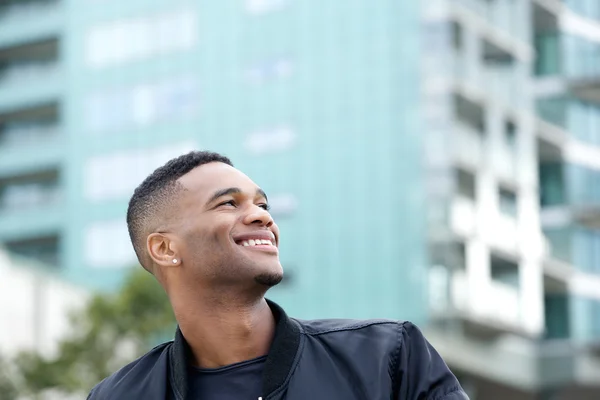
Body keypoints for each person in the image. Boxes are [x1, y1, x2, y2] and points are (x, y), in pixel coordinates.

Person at [87, 151, 468, 400]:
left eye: (262, 203)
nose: (262, 216)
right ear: (165, 249)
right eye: (229, 203)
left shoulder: (388, 356)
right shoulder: (118, 396)